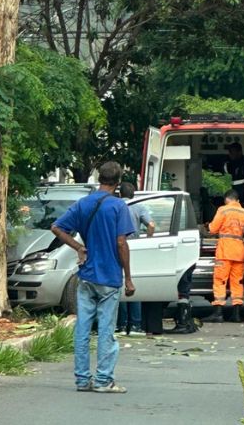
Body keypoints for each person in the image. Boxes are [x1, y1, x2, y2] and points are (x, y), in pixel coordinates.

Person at [51, 161, 135, 394]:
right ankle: (103, 380)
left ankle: (81, 380)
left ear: (99, 178)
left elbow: (56, 228)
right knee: (106, 330)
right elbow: (121, 242)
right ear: (117, 183)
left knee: (83, 329)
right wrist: (128, 277)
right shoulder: (118, 207)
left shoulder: (83, 204)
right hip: (109, 277)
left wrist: (78, 247)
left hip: (86, 275)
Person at [203, 189, 244, 323]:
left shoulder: (223, 210)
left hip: (225, 251)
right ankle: (236, 314)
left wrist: (208, 226)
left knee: (220, 281)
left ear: (226, 199)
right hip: (240, 252)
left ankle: (218, 312)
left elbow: (212, 229)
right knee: (237, 283)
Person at [116, 182, 155, 335]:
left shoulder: (116, 206)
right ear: (134, 195)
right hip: (135, 247)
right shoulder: (139, 207)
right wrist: (148, 238)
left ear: (120, 194)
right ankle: (135, 326)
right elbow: (151, 225)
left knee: (119, 283)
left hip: (118, 246)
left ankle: (121, 325)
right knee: (133, 283)